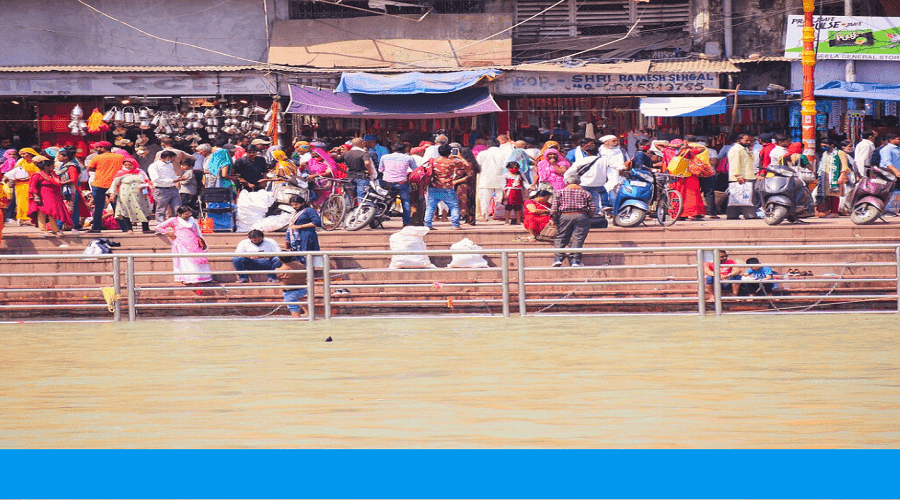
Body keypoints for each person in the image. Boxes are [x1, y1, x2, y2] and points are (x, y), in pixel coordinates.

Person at [156, 206, 212, 285]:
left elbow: (198, 232)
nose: (187, 216)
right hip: (181, 244)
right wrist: (169, 233)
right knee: (185, 261)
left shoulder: (193, 220)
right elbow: (158, 227)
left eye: (189, 214)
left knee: (198, 259)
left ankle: (202, 278)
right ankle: (188, 278)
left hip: (194, 244)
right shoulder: (174, 220)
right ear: (179, 214)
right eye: (185, 215)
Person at [550, 173, 596, 268]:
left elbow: (554, 208)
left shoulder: (560, 192)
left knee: (561, 237)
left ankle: (558, 258)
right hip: (581, 215)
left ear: (567, 182)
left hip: (565, 216)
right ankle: (575, 261)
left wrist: (553, 218)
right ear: (578, 183)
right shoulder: (586, 193)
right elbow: (593, 208)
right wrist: (587, 216)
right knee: (578, 238)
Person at [28, 156, 72, 236]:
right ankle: (43, 229)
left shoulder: (53, 174)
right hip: (43, 196)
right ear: (46, 167)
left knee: (53, 212)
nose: (53, 167)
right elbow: (33, 187)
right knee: (42, 212)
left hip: (54, 195)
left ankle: (55, 229)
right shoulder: (37, 175)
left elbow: (58, 183)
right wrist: (36, 196)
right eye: (51, 166)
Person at [87, 141, 125, 233]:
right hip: (115, 185)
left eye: (97, 147)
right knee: (117, 207)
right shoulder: (120, 157)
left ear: (103, 148)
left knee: (98, 207)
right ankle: (125, 227)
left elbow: (89, 168)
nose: (96, 149)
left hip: (99, 184)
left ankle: (96, 228)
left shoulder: (96, 158)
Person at [423, 145, 463, 230]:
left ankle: (427, 224)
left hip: (433, 186)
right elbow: (467, 165)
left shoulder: (433, 161)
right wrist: (459, 156)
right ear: (449, 152)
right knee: (454, 206)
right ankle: (455, 225)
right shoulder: (452, 162)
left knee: (430, 207)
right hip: (447, 187)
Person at [108, 159, 152, 233]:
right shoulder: (120, 173)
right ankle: (129, 229)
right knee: (126, 210)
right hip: (125, 194)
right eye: (126, 165)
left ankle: (145, 228)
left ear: (134, 165)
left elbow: (146, 182)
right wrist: (112, 194)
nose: (128, 167)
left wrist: (145, 193)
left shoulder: (139, 172)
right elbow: (114, 184)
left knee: (143, 209)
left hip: (139, 195)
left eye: (130, 165)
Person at [476, 135, 514, 221]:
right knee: (502, 198)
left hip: (485, 179)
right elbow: (507, 165)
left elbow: (478, 165)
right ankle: (506, 216)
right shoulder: (504, 154)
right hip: (500, 179)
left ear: (487, 146)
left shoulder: (482, 154)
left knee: (485, 199)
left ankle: (484, 216)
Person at [378, 143, 416, 226]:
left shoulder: (384, 157)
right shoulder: (409, 158)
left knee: (385, 200)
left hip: (388, 182)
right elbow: (415, 170)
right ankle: (406, 222)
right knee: (406, 201)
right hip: (402, 182)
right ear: (404, 149)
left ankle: (381, 216)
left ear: (392, 148)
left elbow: (380, 169)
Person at [334, 138, 376, 204]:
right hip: (361, 177)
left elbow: (335, 161)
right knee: (361, 196)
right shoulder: (364, 153)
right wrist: (369, 171)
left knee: (349, 195)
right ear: (362, 144)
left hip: (349, 176)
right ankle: (362, 211)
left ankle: (347, 210)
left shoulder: (347, 154)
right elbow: (367, 163)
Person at [55, 148, 88, 231]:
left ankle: (69, 225)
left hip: (70, 190)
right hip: (65, 189)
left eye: (59, 155)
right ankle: (70, 225)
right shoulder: (63, 166)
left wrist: (61, 183)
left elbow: (73, 179)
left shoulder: (71, 167)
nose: (57, 157)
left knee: (70, 208)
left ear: (65, 157)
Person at [727, 134, 757, 220]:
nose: (748, 142)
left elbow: (751, 161)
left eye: (750, 141)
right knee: (744, 197)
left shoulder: (743, 150)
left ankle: (733, 215)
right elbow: (734, 163)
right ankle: (749, 215)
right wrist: (738, 175)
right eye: (746, 140)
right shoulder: (736, 150)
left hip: (747, 176)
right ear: (739, 140)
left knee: (741, 197)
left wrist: (750, 151)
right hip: (741, 177)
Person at [148, 150, 182, 223]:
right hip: (161, 190)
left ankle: (178, 226)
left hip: (173, 189)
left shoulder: (170, 165)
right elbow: (156, 179)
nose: (173, 160)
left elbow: (172, 176)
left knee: (178, 208)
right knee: (161, 210)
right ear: (167, 158)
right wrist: (172, 181)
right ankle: (160, 228)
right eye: (173, 158)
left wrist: (179, 178)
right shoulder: (154, 166)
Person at [285, 196, 322, 261]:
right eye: (292, 205)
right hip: (297, 237)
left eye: (296, 204)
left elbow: (317, 222)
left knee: (307, 255)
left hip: (307, 235)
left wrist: (299, 227)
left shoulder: (309, 210)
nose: (294, 206)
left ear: (302, 203)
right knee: (298, 256)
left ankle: (310, 270)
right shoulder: (296, 212)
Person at [11, 148, 40, 225]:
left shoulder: (35, 161)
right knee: (20, 201)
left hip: (30, 183)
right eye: (22, 154)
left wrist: (29, 177)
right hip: (19, 184)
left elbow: (38, 173)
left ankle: (30, 218)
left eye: (24, 154)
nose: (23, 156)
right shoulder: (20, 161)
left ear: (30, 153)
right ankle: (21, 218)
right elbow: (14, 171)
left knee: (29, 200)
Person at [452, 143, 479, 226]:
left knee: (468, 202)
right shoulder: (463, 163)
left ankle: (471, 220)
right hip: (461, 186)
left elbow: (469, 176)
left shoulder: (469, 164)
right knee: (463, 203)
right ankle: (467, 220)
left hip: (466, 186)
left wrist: (456, 181)